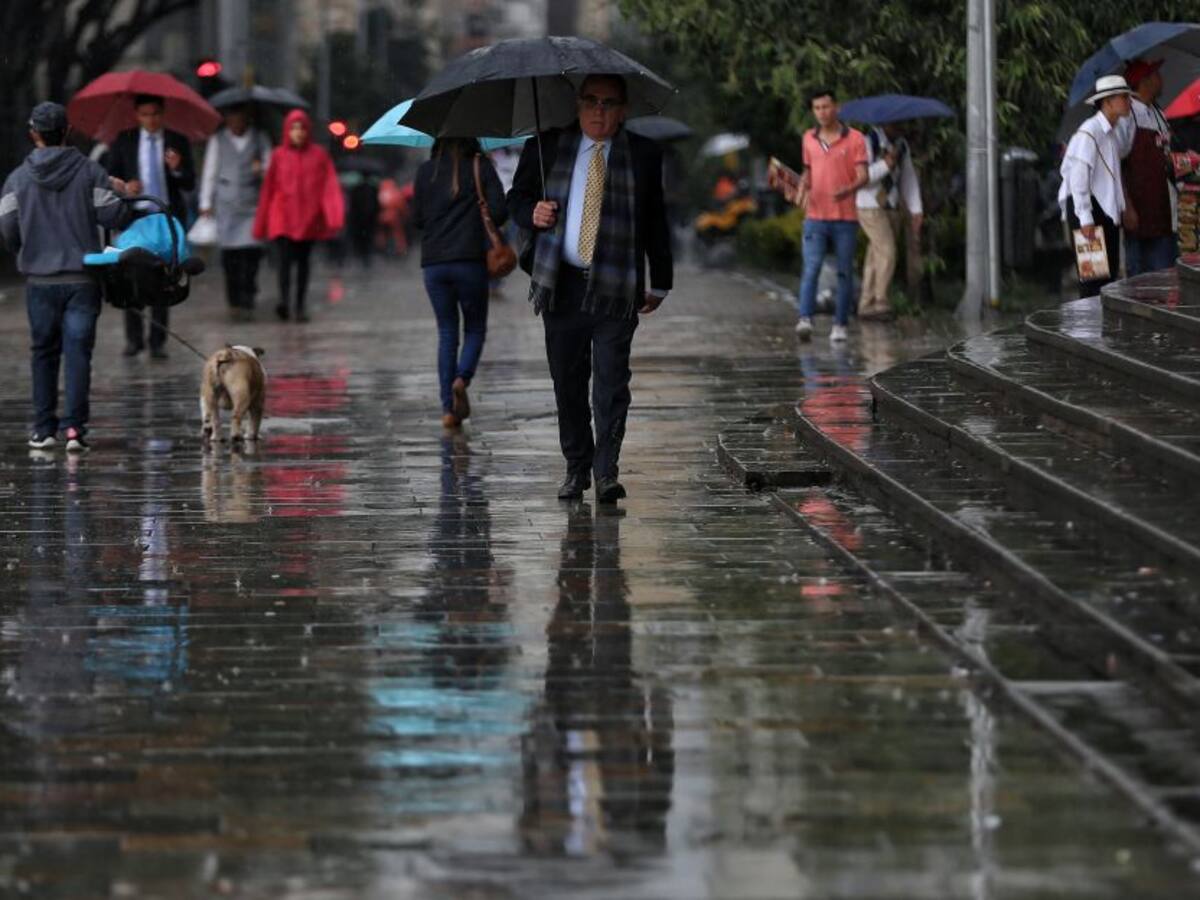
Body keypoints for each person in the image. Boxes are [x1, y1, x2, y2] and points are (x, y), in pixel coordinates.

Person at [508, 73, 673, 503]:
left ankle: (606, 472)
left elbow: (656, 218)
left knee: (612, 383)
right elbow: (517, 198)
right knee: (568, 382)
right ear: (578, 104)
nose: (600, 110)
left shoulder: (642, 153)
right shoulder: (546, 147)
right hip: (561, 286)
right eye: (592, 101)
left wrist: (662, 280)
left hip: (618, 286)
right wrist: (533, 213)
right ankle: (576, 467)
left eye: (610, 103)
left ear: (624, 110)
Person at [0, 101, 134, 450]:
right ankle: (75, 429)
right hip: (82, 280)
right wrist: (120, 193)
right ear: (67, 132)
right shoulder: (90, 172)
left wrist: (29, 252)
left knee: (43, 352)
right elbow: (112, 218)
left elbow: (8, 229)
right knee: (78, 353)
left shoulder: (16, 179)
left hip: (40, 282)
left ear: (33, 135)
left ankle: (43, 429)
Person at [411, 136, 507, 429]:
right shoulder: (481, 166)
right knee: (475, 327)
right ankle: (462, 378)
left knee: (447, 331)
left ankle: (448, 410)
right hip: (470, 261)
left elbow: (416, 219)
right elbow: (501, 213)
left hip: (434, 263)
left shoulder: (426, 170)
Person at [104, 93, 195, 359]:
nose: (151, 120)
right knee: (131, 277)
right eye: (145, 114)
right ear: (137, 115)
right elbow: (110, 177)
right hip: (135, 219)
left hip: (166, 219)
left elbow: (189, 182)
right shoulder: (124, 141)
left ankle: (157, 341)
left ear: (162, 113)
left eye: (155, 114)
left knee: (163, 277)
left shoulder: (177, 142)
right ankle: (134, 339)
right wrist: (126, 187)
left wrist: (177, 169)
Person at [781, 89, 868, 343]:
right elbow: (808, 171)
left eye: (826, 107)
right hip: (815, 216)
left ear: (836, 108)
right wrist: (800, 188)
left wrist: (847, 190)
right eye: (817, 108)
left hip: (845, 217)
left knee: (844, 272)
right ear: (813, 111)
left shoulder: (855, 139)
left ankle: (840, 324)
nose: (822, 112)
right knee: (811, 267)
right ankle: (805, 318)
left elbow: (863, 175)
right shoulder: (809, 138)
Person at [253, 108, 344, 323]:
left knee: (303, 263)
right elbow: (269, 188)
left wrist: (333, 214)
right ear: (287, 130)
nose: (298, 132)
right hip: (282, 217)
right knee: (284, 262)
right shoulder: (278, 155)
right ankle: (284, 301)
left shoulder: (319, 155)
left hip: (308, 219)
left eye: (302, 128)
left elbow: (329, 186)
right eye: (293, 128)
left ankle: (300, 305)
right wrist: (263, 220)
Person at [1058, 75, 1133, 298]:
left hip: (1102, 209)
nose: (1128, 101)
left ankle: (1100, 328)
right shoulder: (1090, 131)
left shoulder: (1111, 132)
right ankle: (1089, 329)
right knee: (1093, 278)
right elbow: (1079, 178)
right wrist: (1086, 219)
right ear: (1108, 102)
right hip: (1087, 209)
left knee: (1106, 277)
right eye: (1123, 97)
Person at [198, 102, 272, 321]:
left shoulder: (260, 138)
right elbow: (210, 171)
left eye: (239, 118)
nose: (235, 123)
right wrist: (205, 202)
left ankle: (248, 293)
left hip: (252, 204)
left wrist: (262, 169)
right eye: (231, 119)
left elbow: (271, 168)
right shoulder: (218, 140)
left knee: (251, 254)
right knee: (230, 256)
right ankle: (234, 301)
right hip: (226, 205)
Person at [856, 123, 923, 321]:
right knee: (887, 250)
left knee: (875, 255)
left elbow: (908, 178)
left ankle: (866, 304)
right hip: (869, 205)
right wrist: (885, 164)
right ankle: (880, 300)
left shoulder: (901, 145)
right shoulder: (869, 142)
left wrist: (916, 209)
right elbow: (862, 177)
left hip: (890, 205)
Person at [1117, 59, 1177, 275]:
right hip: (1139, 214)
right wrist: (1127, 206)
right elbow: (1117, 163)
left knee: (1166, 278)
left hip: (1163, 211)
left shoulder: (1159, 114)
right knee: (1140, 281)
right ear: (1145, 82)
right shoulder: (1128, 115)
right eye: (1156, 75)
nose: (1161, 80)